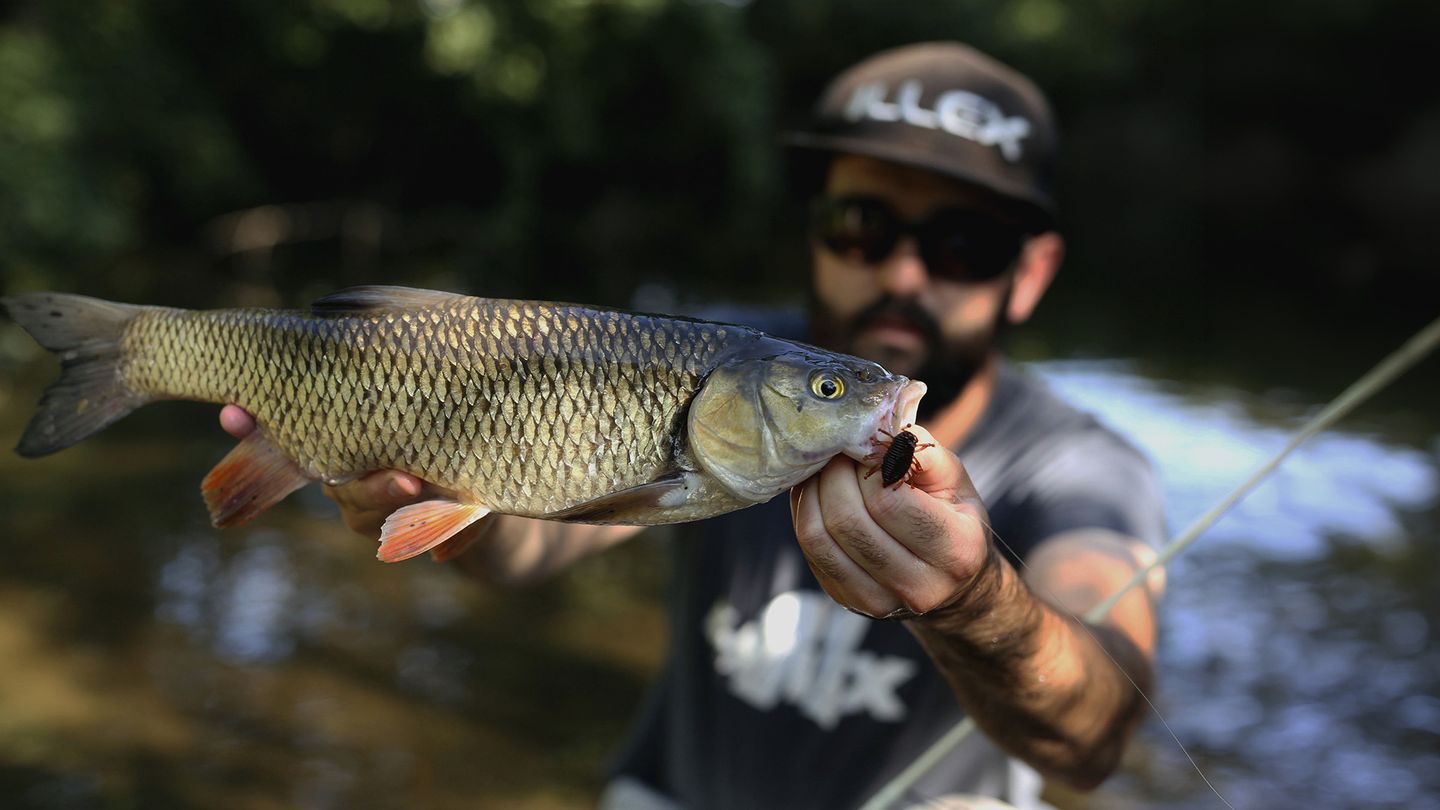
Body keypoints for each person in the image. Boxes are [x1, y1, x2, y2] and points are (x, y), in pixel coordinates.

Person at [221, 41, 1166, 809]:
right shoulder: (737, 368)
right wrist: (442, 494)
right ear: (815, 229)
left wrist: (974, 603)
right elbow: (522, 555)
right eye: (862, 225)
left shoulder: (1079, 469)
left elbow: (1092, 737)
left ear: (1031, 273)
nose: (903, 276)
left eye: (962, 244)